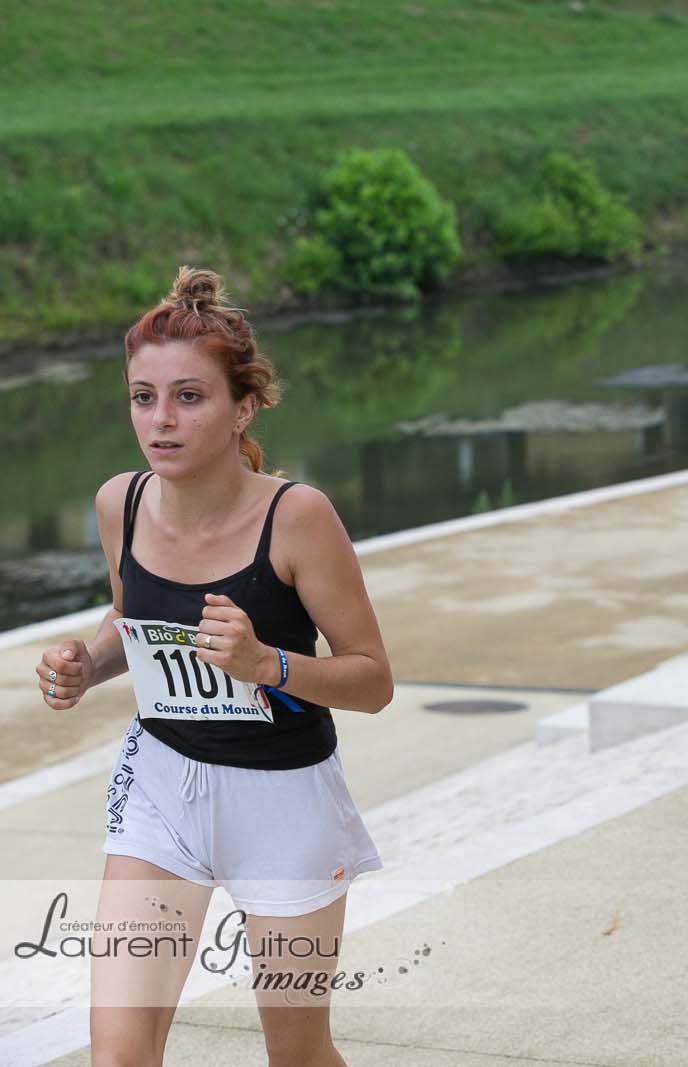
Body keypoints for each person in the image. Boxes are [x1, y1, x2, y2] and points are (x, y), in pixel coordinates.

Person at [34, 268, 393, 1066]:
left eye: (189, 397)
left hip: (285, 802)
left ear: (244, 407)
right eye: (143, 397)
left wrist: (268, 663)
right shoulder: (120, 503)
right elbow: (131, 617)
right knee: (119, 1055)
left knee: (297, 1055)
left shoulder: (297, 517)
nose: (160, 420)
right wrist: (87, 663)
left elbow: (373, 679)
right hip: (161, 789)